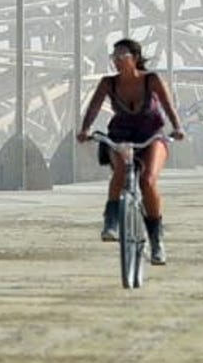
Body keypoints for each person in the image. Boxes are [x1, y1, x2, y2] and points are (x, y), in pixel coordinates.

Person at [76, 37, 177, 265]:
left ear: (136, 58)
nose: (117, 61)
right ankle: (110, 222)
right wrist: (85, 130)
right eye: (115, 57)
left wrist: (177, 128)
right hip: (120, 135)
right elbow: (93, 107)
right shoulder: (108, 83)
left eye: (123, 56)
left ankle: (156, 241)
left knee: (148, 181)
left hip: (152, 135)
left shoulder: (151, 80)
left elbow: (168, 106)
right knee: (120, 172)